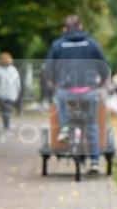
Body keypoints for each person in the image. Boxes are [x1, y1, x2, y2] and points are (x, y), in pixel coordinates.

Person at [44, 15, 110, 172]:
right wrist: (101, 82)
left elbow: (48, 69)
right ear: (80, 27)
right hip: (89, 91)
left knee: (60, 102)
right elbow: (104, 67)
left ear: (65, 28)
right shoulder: (92, 43)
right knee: (92, 124)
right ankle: (94, 161)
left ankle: (65, 129)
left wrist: (53, 83)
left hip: (66, 91)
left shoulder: (58, 45)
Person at [0, 52, 21, 131]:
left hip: (5, 93)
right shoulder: (12, 69)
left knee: (6, 109)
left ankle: (6, 124)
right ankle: (7, 124)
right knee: (6, 109)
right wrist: (18, 90)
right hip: (8, 94)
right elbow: (18, 83)